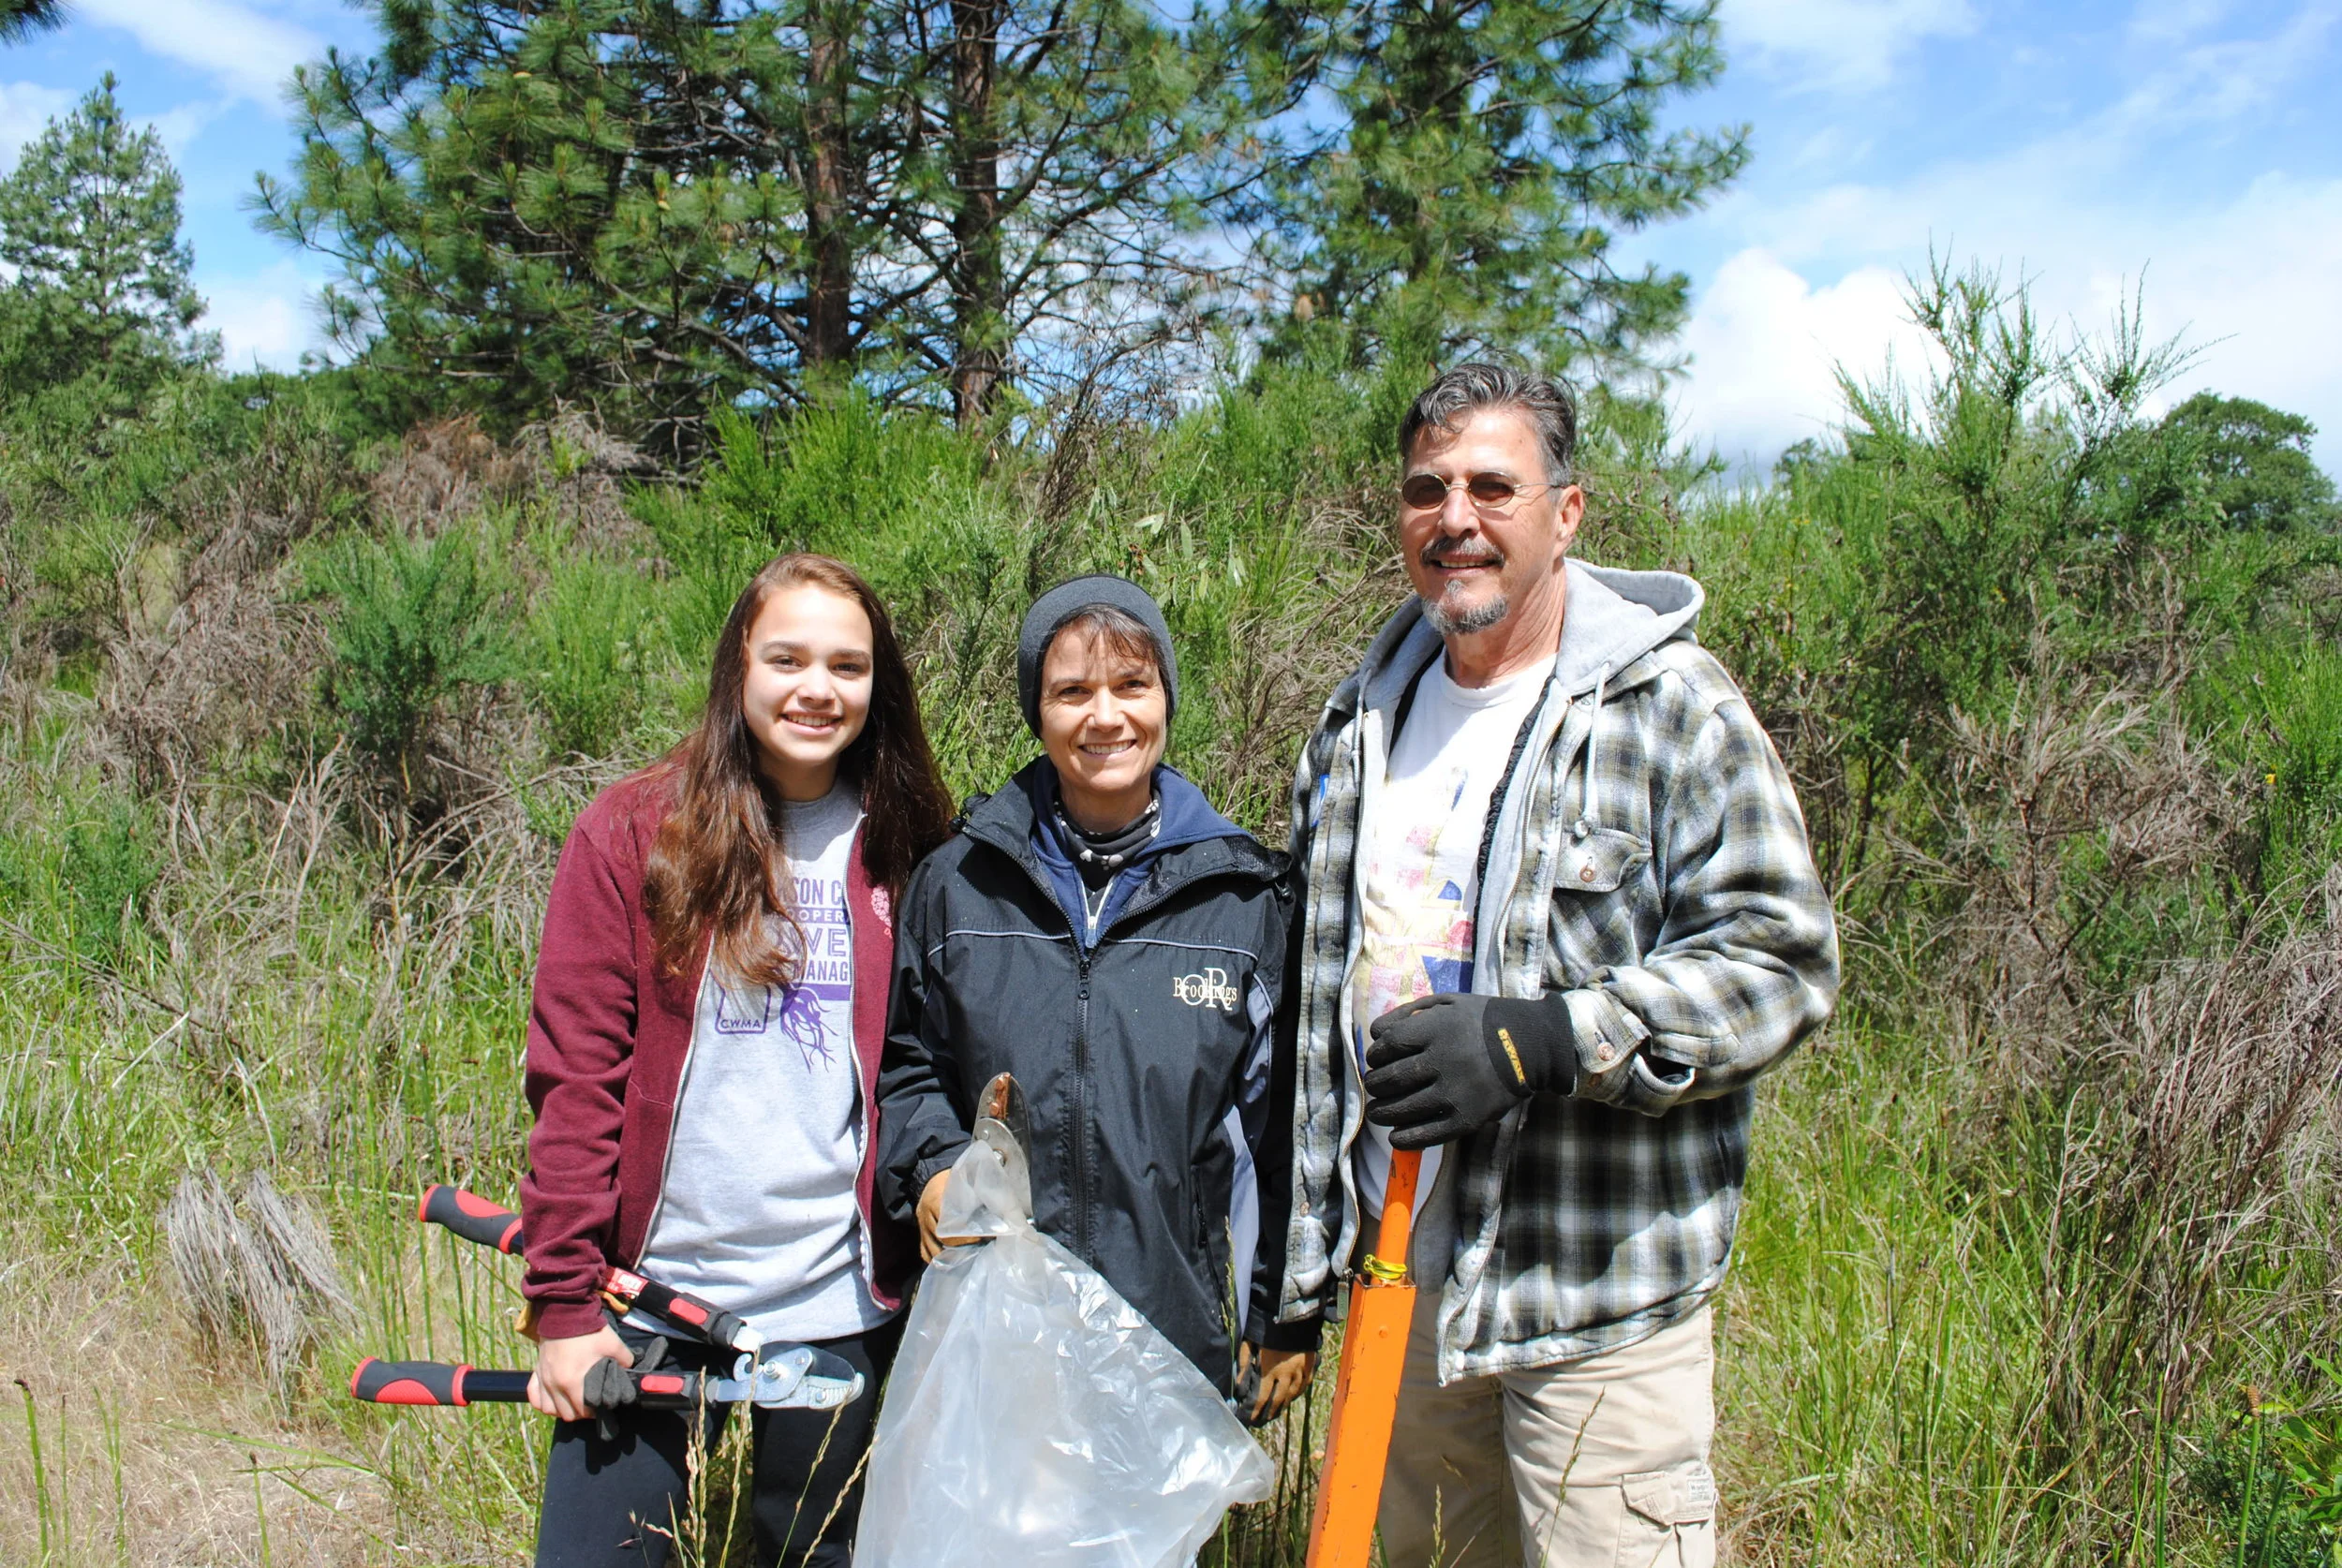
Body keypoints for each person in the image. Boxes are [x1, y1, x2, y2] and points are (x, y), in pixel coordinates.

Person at [1277, 365, 1841, 1566]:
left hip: (1594, 1292)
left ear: (1566, 512)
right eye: (1428, 489)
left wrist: (1548, 1040)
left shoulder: (1669, 705)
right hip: (1403, 1279)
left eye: (1493, 486)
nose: (1457, 519)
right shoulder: (1353, 727)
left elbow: (1782, 958)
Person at [518, 553, 955, 1567]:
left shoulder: (912, 844)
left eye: (847, 665)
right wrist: (565, 1304)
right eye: (787, 658)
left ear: (876, 684)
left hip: (834, 1302)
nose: (817, 688)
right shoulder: (632, 832)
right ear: (738, 670)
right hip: (645, 1297)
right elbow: (575, 1078)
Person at [876, 575, 1323, 1418]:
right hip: (991, 1328)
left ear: (1166, 700)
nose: (1105, 716)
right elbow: (905, 1064)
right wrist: (933, 1168)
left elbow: (1281, 1132)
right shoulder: (958, 883)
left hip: (1169, 1333)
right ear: (1037, 712)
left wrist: (1280, 1310)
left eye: (1131, 685)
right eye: (1072, 691)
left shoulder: (1245, 900)